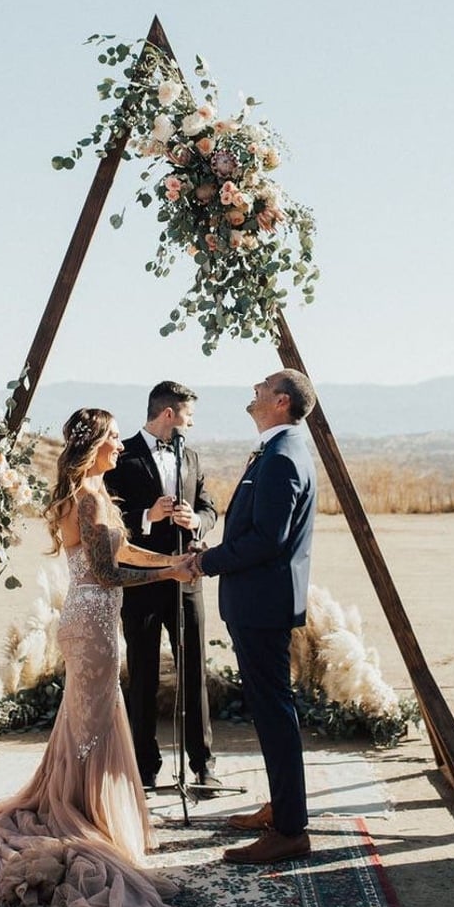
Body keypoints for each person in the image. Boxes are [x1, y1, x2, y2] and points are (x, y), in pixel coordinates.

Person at [0, 408, 192, 907]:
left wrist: (170, 564)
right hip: (93, 621)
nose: (122, 446)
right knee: (93, 722)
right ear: (95, 443)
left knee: (89, 719)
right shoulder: (87, 496)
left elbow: (123, 550)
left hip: (93, 618)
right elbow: (106, 571)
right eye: (116, 439)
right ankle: (89, 816)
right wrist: (171, 570)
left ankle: (87, 806)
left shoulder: (95, 491)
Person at [187, 369, 318, 864]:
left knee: (273, 713)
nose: (254, 393)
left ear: (281, 401)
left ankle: (289, 830)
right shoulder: (277, 450)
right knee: (269, 712)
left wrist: (205, 561)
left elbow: (268, 539)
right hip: (259, 602)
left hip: (263, 606)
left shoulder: (283, 458)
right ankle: (283, 807)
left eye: (261, 388)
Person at [104, 381, 218, 792]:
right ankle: (144, 765)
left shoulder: (191, 455)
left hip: (187, 581)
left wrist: (197, 521)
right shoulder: (123, 456)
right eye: (187, 414)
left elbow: (209, 506)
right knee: (144, 675)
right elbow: (109, 519)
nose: (191, 421)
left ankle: (203, 764)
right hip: (143, 583)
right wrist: (148, 516)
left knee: (194, 674)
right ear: (168, 413)